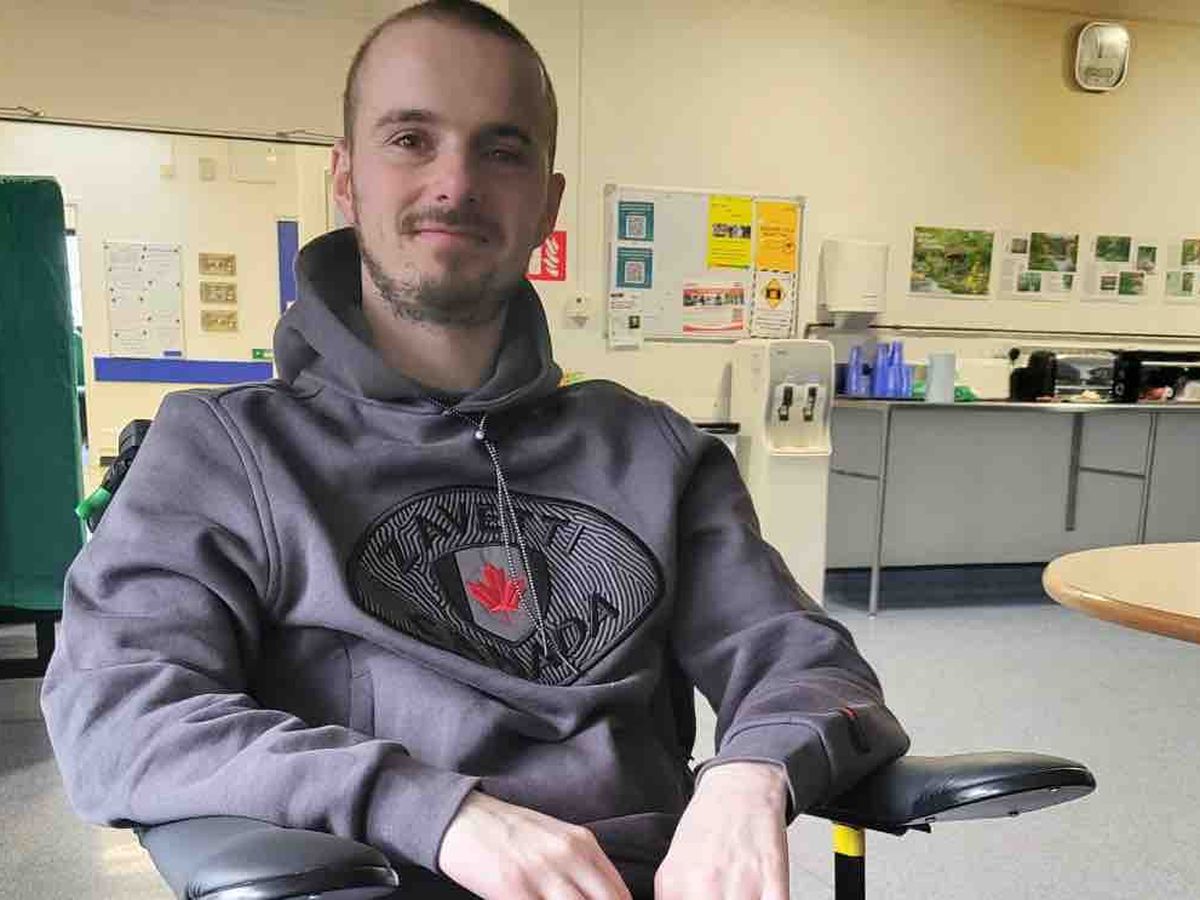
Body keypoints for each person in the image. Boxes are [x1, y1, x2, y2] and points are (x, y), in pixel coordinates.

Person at [41, 2, 909, 898]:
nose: (455, 183)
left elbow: (807, 664)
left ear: (548, 205)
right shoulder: (225, 450)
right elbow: (118, 710)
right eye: (410, 140)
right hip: (385, 877)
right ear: (346, 180)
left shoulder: (654, 450)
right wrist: (433, 810)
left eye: (502, 150)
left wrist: (749, 778)